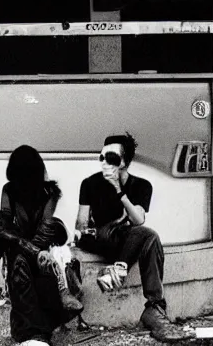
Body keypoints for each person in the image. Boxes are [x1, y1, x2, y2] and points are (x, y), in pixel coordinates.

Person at [74, 133, 191, 343]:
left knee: (149, 237)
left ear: (125, 162)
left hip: (127, 240)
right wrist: (84, 227)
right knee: (146, 235)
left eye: (111, 159)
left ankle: (151, 305)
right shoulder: (89, 183)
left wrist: (119, 191)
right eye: (102, 157)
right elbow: (81, 224)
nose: (104, 163)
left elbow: (138, 220)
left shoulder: (142, 185)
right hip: (101, 237)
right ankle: (150, 303)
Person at [0, 145, 84, 346]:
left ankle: (36, 334)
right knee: (13, 248)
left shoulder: (50, 192)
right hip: (25, 246)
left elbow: (46, 226)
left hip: (46, 243)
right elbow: (5, 220)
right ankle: (35, 335)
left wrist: (35, 250)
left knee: (42, 237)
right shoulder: (10, 190)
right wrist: (31, 250)